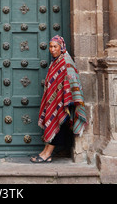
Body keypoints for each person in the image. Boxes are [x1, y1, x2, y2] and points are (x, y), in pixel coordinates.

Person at [30, 35, 87, 163]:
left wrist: (65, 97)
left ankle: (47, 154)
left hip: (63, 102)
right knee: (53, 122)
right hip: (55, 101)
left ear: (61, 47)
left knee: (57, 123)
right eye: (50, 47)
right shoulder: (56, 60)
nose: (52, 49)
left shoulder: (66, 61)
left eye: (55, 46)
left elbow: (72, 80)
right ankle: (46, 151)